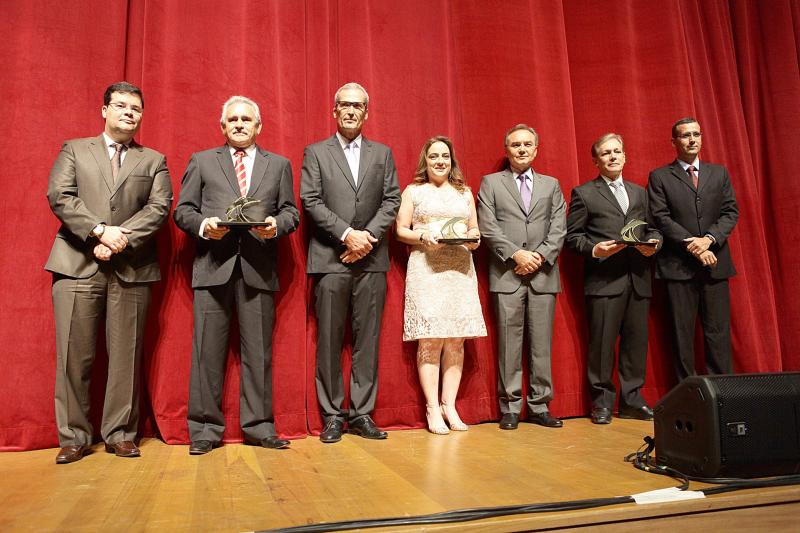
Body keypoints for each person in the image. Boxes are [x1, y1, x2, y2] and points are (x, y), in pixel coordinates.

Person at [45, 81, 172, 463]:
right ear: (104, 110)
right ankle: (74, 436)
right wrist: (99, 231)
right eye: (120, 105)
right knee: (74, 356)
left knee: (126, 357)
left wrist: (119, 238)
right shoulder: (74, 149)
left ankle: (120, 434)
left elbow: (158, 208)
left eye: (135, 108)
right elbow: (60, 195)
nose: (128, 112)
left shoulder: (153, 160)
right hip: (76, 265)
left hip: (131, 268)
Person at [173, 96, 299, 455]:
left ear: (258, 126)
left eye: (246, 119)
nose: (240, 124)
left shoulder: (279, 165)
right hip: (213, 266)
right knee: (206, 353)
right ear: (222, 126)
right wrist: (203, 226)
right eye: (233, 120)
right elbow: (183, 210)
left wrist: (276, 226)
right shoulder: (201, 161)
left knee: (258, 354)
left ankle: (260, 427)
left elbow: (291, 212)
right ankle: (204, 430)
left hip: (258, 269)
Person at [300, 82, 401, 443]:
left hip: (371, 261)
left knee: (367, 341)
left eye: (357, 106)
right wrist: (347, 235)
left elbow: (392, 200)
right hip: (330, 260)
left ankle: (361, 414)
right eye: (344, 104)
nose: (350, 111)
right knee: (329, 340)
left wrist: (366, 238)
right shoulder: (316, 152)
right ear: (334, 111)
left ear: (366, 113)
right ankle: (332, 415)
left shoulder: (382, 153)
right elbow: (311, 200)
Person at [565, 133, 661, 424]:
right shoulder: (584, 193)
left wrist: (654, 243)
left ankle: (632, 401)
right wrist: (596, 249)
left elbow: (653, 228)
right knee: (602, 346)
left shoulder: (640, 193)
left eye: (617, 151)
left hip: (638, 280)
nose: (613, 156)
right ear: (596, 161)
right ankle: (602, 403)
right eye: (606, 153)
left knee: (636, 345)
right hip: (604, 282)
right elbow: (572, 237)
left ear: (625, 156)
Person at [395, 137, 487, 434]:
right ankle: (432, 408)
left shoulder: (464, 192)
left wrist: (474, 239)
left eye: (445, 156)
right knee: (431, 340)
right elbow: (400, 230)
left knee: (456, 340)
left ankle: (450, 405)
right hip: (427, 270)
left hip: (460, 270)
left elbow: (474, 228)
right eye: (434, 156)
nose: (440, 161)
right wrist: (422, 237)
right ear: (426, 160)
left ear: (452, 160)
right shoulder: (413, 191)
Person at [477, 124, 566, 430]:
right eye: (516, 145)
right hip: (507, 274)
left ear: (536, 149)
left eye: (528, 144)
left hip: (543, 275)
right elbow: (488, 226)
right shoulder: (491, 183)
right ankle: (510, 407)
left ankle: (540, 406)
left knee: (542, 346)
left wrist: (538, 257)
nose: (522, 149)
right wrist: (517, 254)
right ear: (507, 150)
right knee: (508, 345)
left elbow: (559, 227)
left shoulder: (551, 185)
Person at [647, 118, 739, 381]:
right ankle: (688, 394)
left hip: (715, 264)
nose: (692, 140)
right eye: (685, 135)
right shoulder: (660, 176)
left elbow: (730, 212)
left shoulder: (719, 173)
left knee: (718, 333)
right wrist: (694, 245)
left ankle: (723, 392)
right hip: (678, 267)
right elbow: (660, 217)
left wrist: (709, 239)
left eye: (696, 134)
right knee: (682, 335)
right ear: (674, 142)